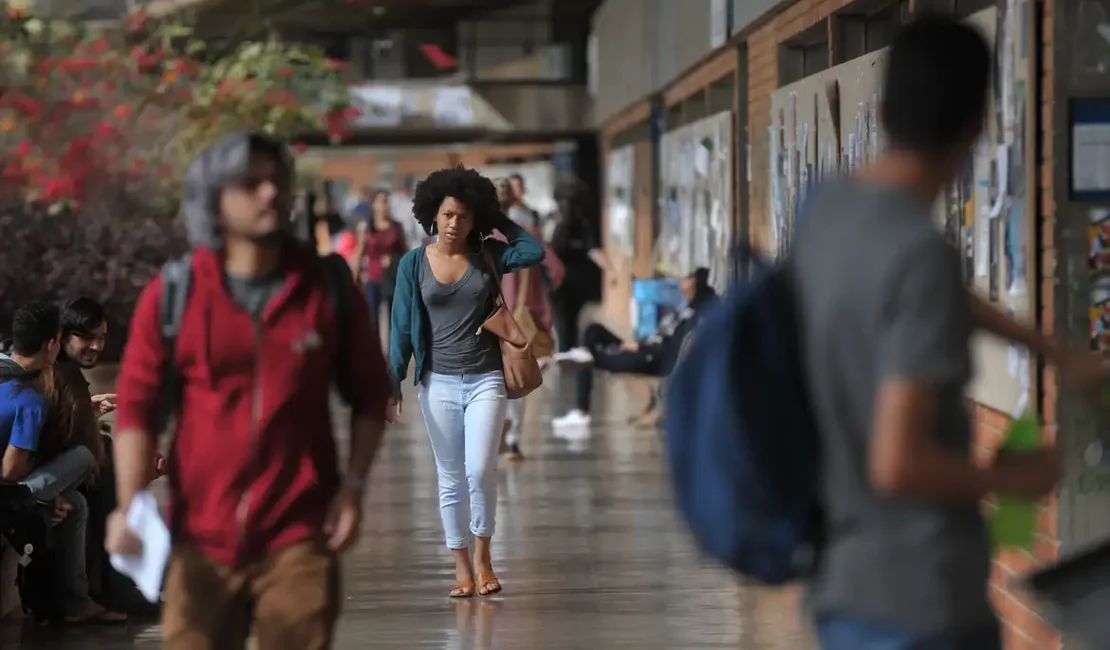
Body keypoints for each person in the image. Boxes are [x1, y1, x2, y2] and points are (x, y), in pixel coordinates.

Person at [790, 15, 1103, 650]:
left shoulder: (828, 212)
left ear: (883, 115)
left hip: (841, 586)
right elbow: (898, 464)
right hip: (918, 602)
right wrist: (1016, 480)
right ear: (977, 125)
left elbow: (920, 293)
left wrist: (1049, 349)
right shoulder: (918, 257)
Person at [105, 131, 392, 650]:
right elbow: (137, 410)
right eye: (251, 183)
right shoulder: (175, 294)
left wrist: (353, 487)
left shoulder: (324, 287)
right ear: (215, 198)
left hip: (300, 533)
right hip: (200, 539)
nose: (270, 193)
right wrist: (128, 504)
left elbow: (371, 394)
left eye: (276, 180)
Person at [389, 166, 544, 597]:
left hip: (486, 379)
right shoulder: (413, 264)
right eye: (448, 215)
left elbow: (532, 250)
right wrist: (392, 381)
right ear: (433, 215)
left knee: (480, 469)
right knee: (451, 477)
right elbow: (400, 327)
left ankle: (483, 558)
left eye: (464, 215)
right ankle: (460, 564)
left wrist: (496, 218)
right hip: (436, 384)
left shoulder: (487, 256)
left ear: (475, 218)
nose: (454, 223)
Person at [0, 301, 124, 623]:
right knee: (85, 456)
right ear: (52, 345)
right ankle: (102, 586)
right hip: (9, 496)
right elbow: (10, 471)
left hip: (13, 489)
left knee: (75, 505)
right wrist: (41, 494)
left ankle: (75, 603)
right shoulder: (28, 398)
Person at [551, 268, 715, 430]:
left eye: (687, 277)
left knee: (587, 359)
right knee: (593, 331)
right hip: (645, 350)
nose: (681, 281)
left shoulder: (693, 316)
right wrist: (636, 344)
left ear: (693, 283)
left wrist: (641, 347)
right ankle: (584, 353)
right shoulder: (686, 309)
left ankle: (581, 412)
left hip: (650, 359)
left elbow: (671, 348)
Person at [494, 178, 565, 460]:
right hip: (521, 316)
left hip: (486, 317)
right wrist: (540, 294)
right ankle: (512, 441)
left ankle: (492, 430)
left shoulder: (478, 236)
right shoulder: (528, 233)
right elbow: (556, 269)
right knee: (516, 378)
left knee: (489, 378)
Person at [548, 178, 616, 351]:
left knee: (572, 322)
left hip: (576, 284)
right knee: (563, 323)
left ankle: (570, 353)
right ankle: (566, 353)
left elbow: (592, 250)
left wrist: (609, 269)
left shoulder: (582, 226)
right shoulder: (555, 225)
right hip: (559, 285)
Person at [352, 189, 408, 329]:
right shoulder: (367, 227)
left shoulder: (396, 227)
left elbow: (405, 253)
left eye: (386, 202)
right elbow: (360, 252)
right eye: (381, 202)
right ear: (374, 205)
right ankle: (374, 342)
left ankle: (392, 343)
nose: (384, 206)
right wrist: (355, 276)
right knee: (372, 317)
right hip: (373, 277)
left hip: (392, 277)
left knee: (393, 317)